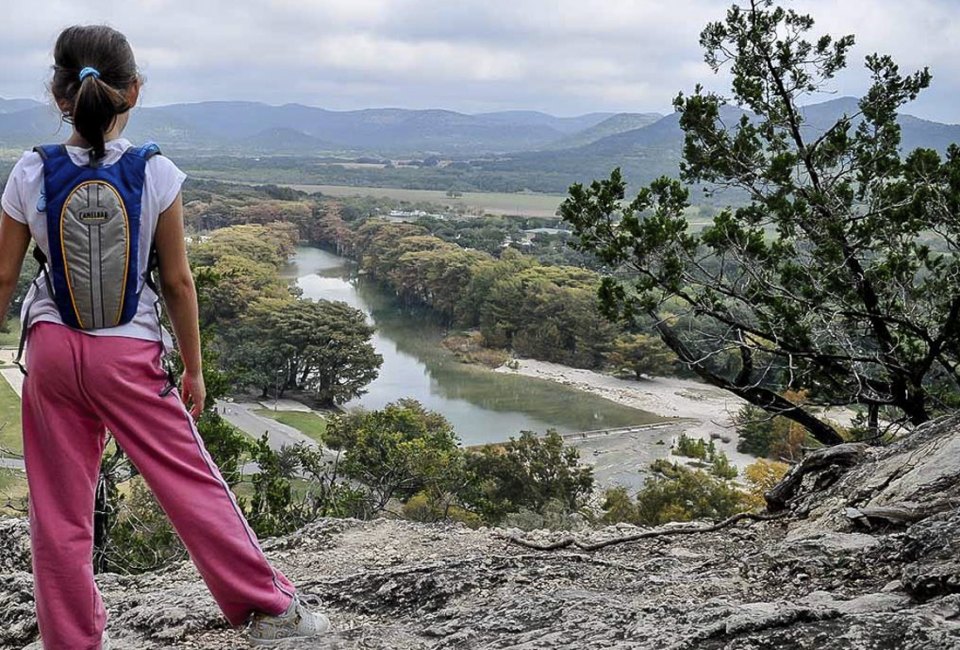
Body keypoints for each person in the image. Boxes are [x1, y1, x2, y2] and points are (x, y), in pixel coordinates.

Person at [0, 25, 330, 649]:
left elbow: (2, 277)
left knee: (59, 511)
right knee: (187, 482)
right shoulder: (156, 172)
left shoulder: (29, 170)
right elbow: (178, 283)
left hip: (49, 351)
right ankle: (268, 611)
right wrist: (195, 369)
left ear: (58, 93)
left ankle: (71, 642)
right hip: (127, 355)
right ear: (134, 91)